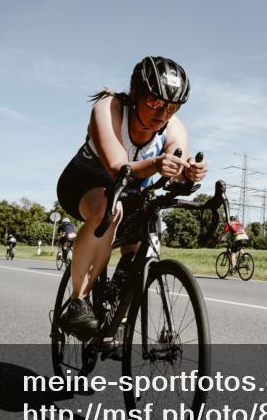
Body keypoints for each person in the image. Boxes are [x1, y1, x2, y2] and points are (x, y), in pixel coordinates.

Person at [55, 56, 208, 341]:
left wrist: (187, 173)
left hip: (133, 191)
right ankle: (77, 302)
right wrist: (157, 165)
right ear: (134, 92)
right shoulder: (109, 108)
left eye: (172, 107)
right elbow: (117, 166)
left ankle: (117, 312)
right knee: (107, 210)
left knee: (144, 238)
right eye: (154, 102)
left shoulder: (174, 128)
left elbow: (174, 166)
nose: (163, 113)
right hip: (86, 182)